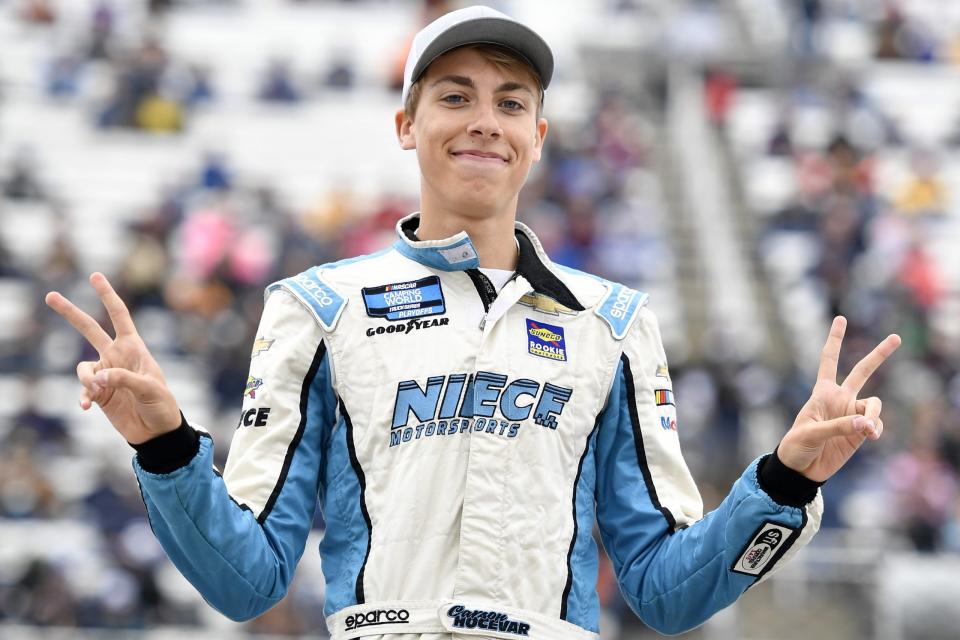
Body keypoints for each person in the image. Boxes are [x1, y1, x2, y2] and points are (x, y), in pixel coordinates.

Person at [45, 6, 902, 639]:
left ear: (537, 135)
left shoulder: (613, 323)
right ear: (407, 124)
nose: (485, 120)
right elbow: (247, 580)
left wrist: (785, 482)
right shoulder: (316, 308)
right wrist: (163, 448)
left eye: (512, 101)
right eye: (456, 96)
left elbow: (664, 590)